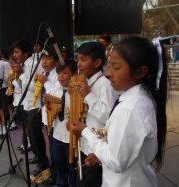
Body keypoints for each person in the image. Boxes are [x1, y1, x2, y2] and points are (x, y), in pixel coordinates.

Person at [70, 37, 167, 187]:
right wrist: (101, 155)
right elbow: (120, 146)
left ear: (141, 72)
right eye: (109, 66)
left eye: (116, 68)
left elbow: (115, 161)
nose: (109, 73)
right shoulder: (136, 99)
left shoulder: (129, 109)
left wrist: (85, 131)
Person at [71, 42, 118, 187]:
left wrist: (87, 95)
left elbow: (108, 117)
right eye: (78, 60)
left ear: (97, 62)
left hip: (98, 148)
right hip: (84, 144)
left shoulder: (105, 85)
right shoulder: (84, 82)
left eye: (84, 60)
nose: (79, 64)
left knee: (93, 182)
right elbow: (82, 111)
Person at [12, 39, 49, 176]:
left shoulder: (34, 65)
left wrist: (21, 73)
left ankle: (43, 162)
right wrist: (16, 76)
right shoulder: (22, 65)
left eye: (17, 52)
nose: (14, 55)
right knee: (31, 134)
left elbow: (35, 87)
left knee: (36, 134)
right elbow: (21, 86)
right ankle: (37, 156)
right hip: (27, 104)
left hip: (36, 105)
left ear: (26, 53)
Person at [43, 59, 78, 187]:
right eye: (58, 73)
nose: (60, 76)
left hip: (72, 137)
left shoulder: (78, 91)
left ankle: (73, 184)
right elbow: (49, 112)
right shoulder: (54, 90)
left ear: (74, 74)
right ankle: (60, 183)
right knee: (58, 161)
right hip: (57, 133)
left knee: (72, 165)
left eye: (65, 73)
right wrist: (48, 103)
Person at [34, 45, 59, 185]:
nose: (44, 61)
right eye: (43, 58)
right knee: (51, 143)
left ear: (56, 61)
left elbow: (56, 95)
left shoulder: (57, 75)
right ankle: (53, 169)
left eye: (48, 58)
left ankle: (56, 173)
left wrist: (45, 82)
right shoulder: (45, 73)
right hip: (46, 114)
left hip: (54, 116)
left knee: (55, 145)